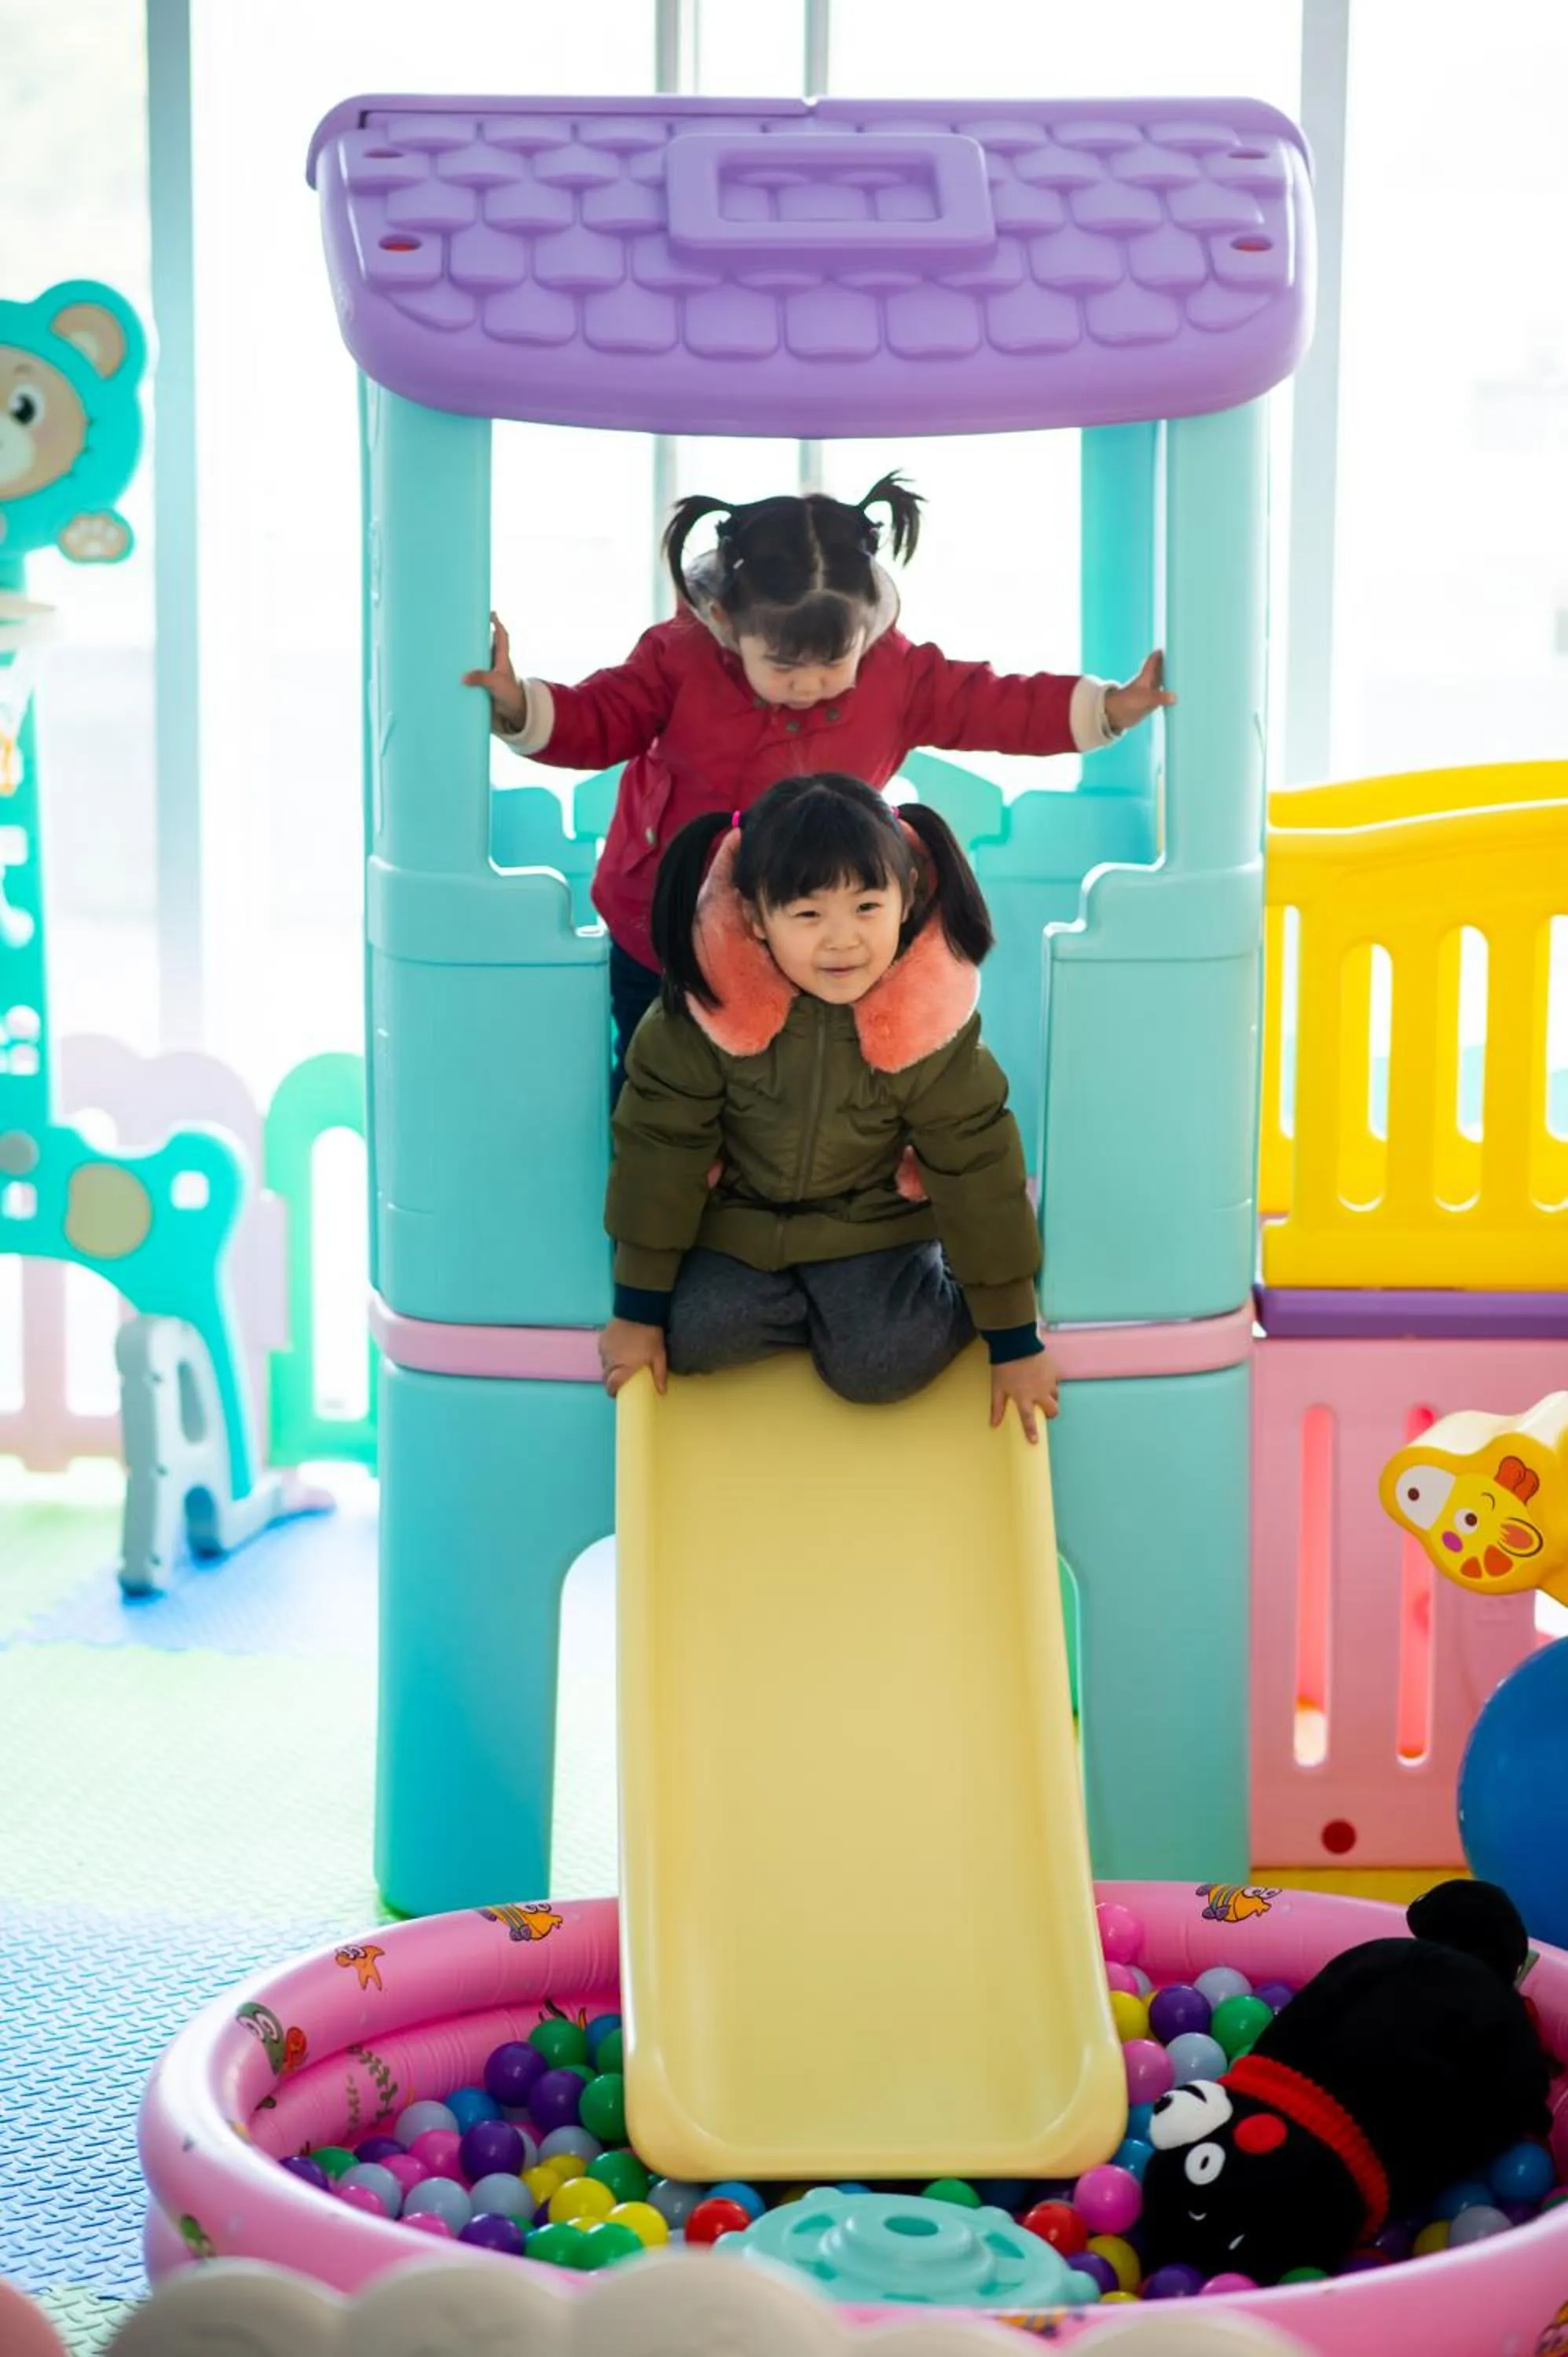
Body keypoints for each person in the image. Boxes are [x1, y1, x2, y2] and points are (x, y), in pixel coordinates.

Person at [464, 475, 1172, 1094]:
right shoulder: (678, 658)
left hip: (808, 932)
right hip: (664, 923)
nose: (809, 687)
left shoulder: (896, 673)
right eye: (782, 667)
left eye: (835, 664)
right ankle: (655, 1215)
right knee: (658, 1074)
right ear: (722, 622)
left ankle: (783, 1222)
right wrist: (521, 705)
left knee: (795, 1084)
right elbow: (602, 716)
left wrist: (1107, 708)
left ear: (868, 626)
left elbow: (993, 704)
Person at [598, 772, 1061, 1439]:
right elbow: (659, 1150)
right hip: (743, 1224)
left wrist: (1013, 1337)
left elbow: (976, 1163)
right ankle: (821, 1310)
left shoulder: (925, 1020)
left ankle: (928, 1291)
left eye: (867, 908)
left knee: (881, 1364)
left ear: (907, 899)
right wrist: (636, 1312)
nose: (842, 941)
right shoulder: (702, 1015)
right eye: (810, 915)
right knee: (693, 1335)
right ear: (757, 918)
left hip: (873, 1227)